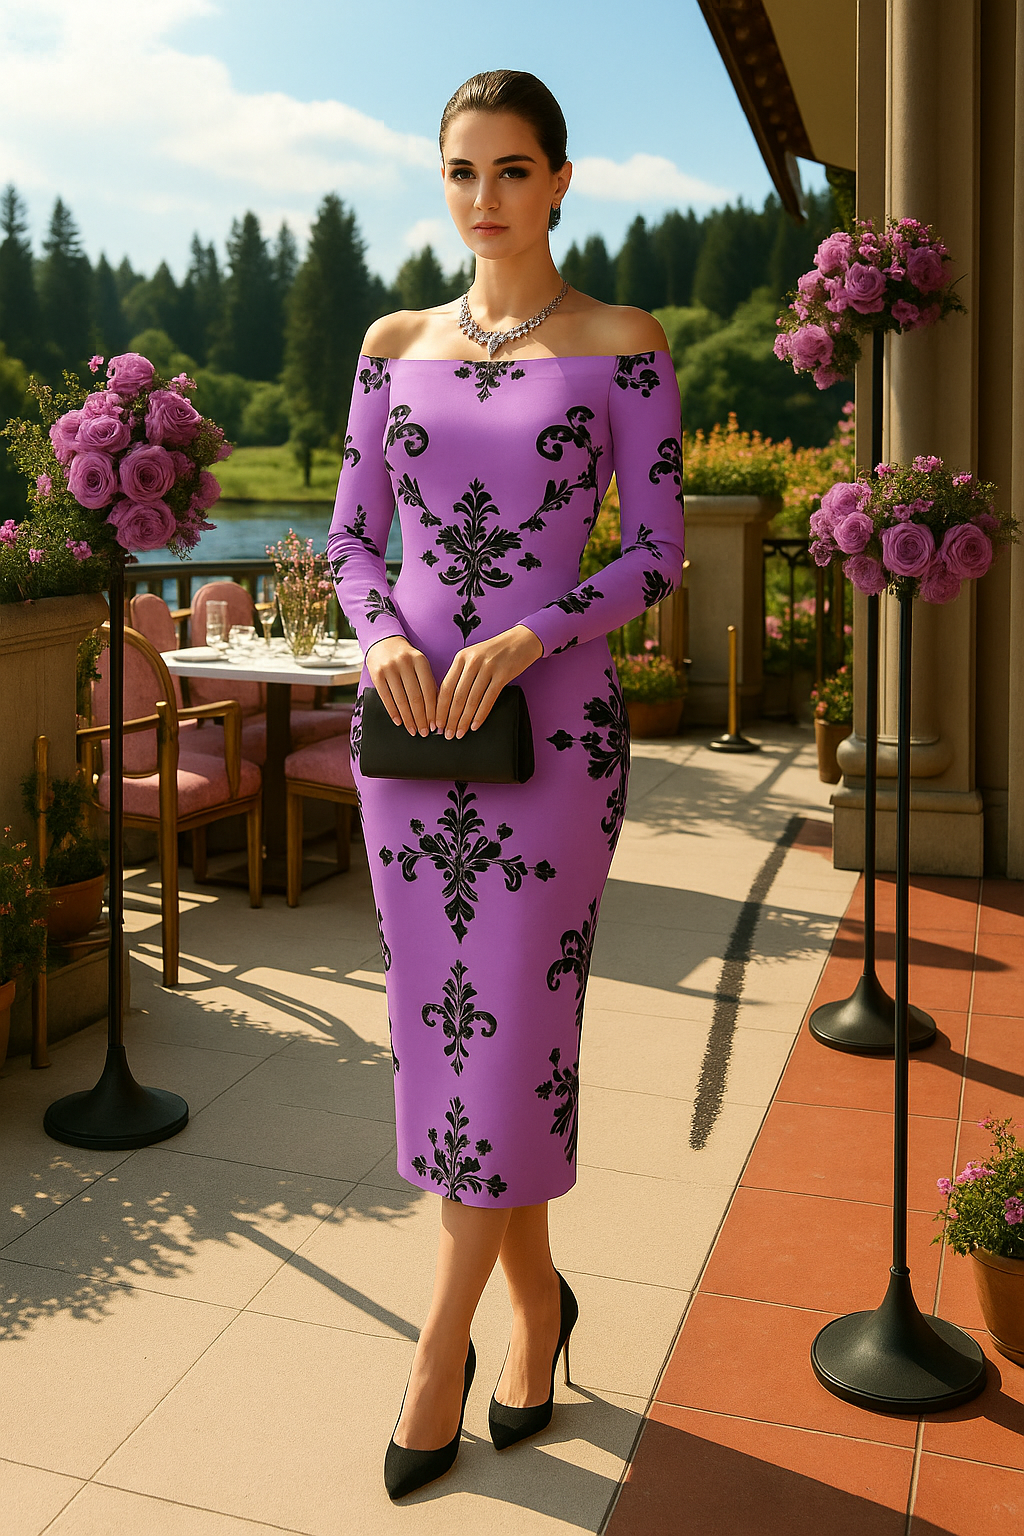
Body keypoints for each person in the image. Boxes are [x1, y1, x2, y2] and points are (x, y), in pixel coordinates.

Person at [326, 68, 685, 1501]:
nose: (487, 198)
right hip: (409, 747)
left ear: (561, 179)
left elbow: (651, 555)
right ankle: (538, 1310)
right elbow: (356, 540)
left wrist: (534, 631)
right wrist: (379, 639)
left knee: (517, 1027)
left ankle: (438, 1349)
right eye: (463, 172)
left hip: (556, 744)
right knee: (446, 1036)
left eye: (514, 170)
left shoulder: (623, 344)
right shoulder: (390, 342)